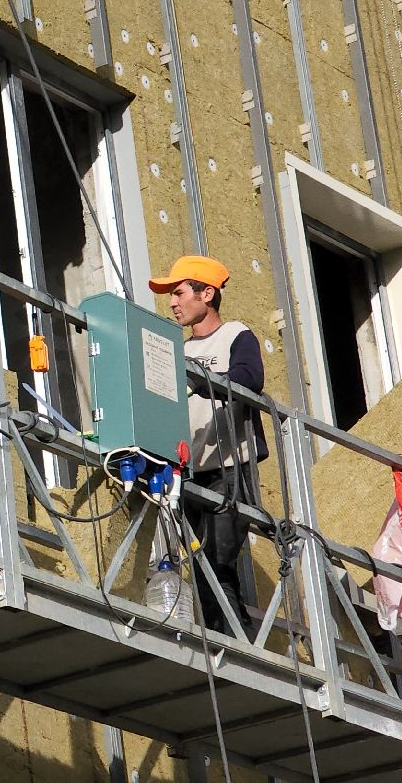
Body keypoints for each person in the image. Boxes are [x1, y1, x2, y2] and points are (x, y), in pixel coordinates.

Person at [149, 254, 268, 637]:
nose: (172, 302)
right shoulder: (177, 351)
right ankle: (226, 642)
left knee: (215, 562)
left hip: (229, 469)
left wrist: (202, 381)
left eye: (179, 292)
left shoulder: (235, 334)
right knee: (199, 565)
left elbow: (249, 378)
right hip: (188, 471)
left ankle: (236, 646)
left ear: (207, 294)